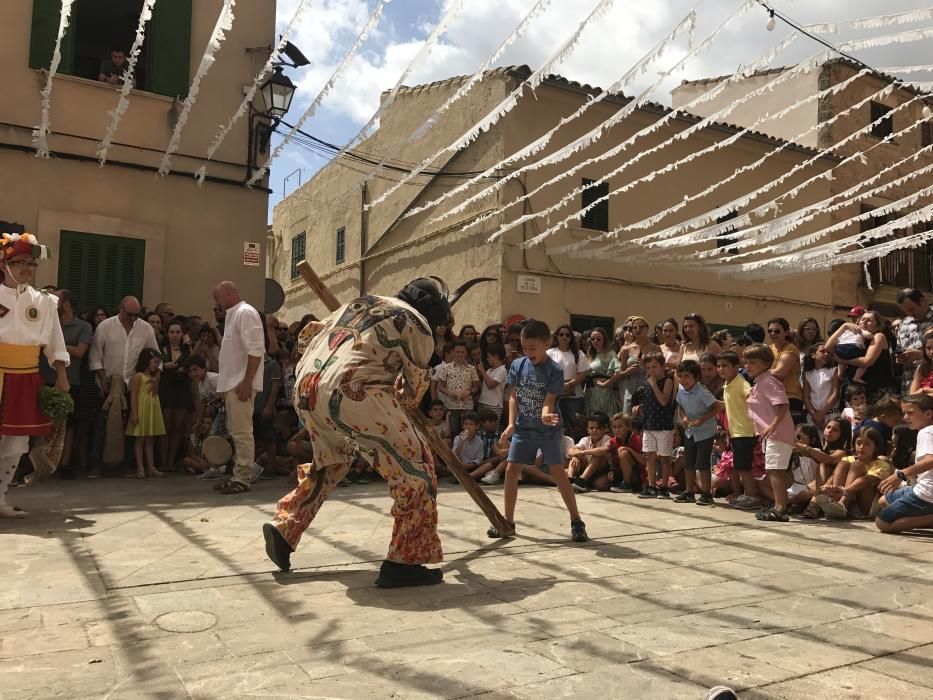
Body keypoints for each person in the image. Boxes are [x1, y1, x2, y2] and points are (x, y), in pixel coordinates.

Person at [487, 319, 588, 542]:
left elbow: (549, 400)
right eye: (525, 348)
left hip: (548, 430)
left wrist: (544, 414)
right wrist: (511, 423)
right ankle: (508, 521)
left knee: (558, 473)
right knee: (512, 470)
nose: (528, 352)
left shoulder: (554, 370)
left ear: (547, 343)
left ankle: (576, 521)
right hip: (524, 429)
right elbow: (513, 395)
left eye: (533, 348)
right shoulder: (517, 365)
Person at [0, 233, 69, 518]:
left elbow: (55, 341)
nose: (26, 268)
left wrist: (62, 375)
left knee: (15, 443)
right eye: (19, 263)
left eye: (31, 263)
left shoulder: (45, 302)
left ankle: (0, 497)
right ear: (5, 264)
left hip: (26, 376)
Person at [213, 281, 265, 495]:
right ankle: (238, 474)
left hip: (241, 383)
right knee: (236, 432)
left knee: (242, 433)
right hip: (234, 383)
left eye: (216, 298)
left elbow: (256, 350)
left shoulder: (245, 313)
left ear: (227, 293)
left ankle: (243, 478)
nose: (216, 303)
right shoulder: (233, 315)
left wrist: (246, 382)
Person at [38, 289, 91, 477]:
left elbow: (80, 352)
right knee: (41, 422)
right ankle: (38, 463)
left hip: (70, 381)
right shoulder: (47, 322)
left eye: (57, 300)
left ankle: (64, 464)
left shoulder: (83, 327)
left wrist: (55, 345)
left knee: (68, 425)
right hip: (44, 378)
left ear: (66, 304)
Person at [876, 394, 933, 533]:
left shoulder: (926, 432)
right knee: (883, 501)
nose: (905, 417)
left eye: (910, 413)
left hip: (927, 494)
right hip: (920, 487)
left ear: (928, 414)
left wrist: (901, 474)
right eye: (904, 413)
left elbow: (931, 460)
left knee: (882, 523)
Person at [674, 360, 723, 506]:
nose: (683, 380)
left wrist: (702, 419)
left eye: (687, 376)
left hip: (705, 432)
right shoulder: (681, 390)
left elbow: (716, 407)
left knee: (702, 463)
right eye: (680, 376)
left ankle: (706, 494)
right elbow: (680, 407)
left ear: (696, 377)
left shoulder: (701, 391)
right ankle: (689, 492)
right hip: (690, 431)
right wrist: (683, 418)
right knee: (688, 462)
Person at [717, 351, 760, 511]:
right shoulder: (728, 384)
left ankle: (751, 496)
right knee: (740, 465)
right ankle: (747, 494)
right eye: (719, 366)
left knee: (744, 467)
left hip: (745, 432)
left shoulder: (741, 383)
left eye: (725, 366)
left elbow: (752, 397)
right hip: (735, 432)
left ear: (736, 367)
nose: (721, 369)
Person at [826, 311, 894, 404]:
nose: (865, 322)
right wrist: (844, 326)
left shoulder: (878, 336)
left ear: (878, 325)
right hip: (854, 392)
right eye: (863, 319)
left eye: (869, 320)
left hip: (874, 389)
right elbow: (828, 348)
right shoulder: (854, 337)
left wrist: (841, 359)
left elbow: (867, 361)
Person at [636, 352, 676, 499]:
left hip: (664, 425)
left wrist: (653, 385)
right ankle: (651, 485)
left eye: (654, 367)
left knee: (664, 458)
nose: (651, 370)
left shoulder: (667, 381)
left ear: (662, 366)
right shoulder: (647, 382)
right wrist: (640, 408)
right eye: (648, 367)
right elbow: (649, 402)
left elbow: (664, 401)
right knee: (649, 456)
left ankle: (664, 487)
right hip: (649, 425)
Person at [126, 348, 167, 479]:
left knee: (150, 439)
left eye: (158, 362)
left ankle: (151, 467)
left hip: (152, 409)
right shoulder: (138, 376)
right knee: (140, 439)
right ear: (146, 361)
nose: (156, 365)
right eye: (154, 361)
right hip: (142, 409)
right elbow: (133, 395)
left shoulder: (153, 378)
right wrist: (134, 413)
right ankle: (140, 468)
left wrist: (156, 382)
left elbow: (154, 393)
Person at [159, 320, 193, 469]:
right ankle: (162, 461)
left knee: (177, 427)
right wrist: (164, 366)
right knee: (165, 427)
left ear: (182, 334)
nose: (175, 335)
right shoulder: (162, 349)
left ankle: (171, 461)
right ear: (167, 334)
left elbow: (191, 367)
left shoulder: (186, 350)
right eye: (172, 332)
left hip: (181, 391)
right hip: (166, 389)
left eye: (178, 332)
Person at [547, 324, 589, 438]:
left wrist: (569, 384)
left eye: (567, 334)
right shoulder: (549, 353)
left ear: (571, 337)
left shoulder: (579, 354)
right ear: (557, 337)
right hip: (554, 394)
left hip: (574, 395)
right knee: (556, 422)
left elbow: (583, 373)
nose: (564, 337)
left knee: (574, 423)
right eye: (561, 334)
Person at [767, 318, 805, 424]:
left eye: (777, 331)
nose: (773, 333)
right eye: (770, 331)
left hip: (790, 398)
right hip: (772, 398)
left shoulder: (790, 349)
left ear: (786, 332)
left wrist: (760, 372)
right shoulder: (768, 349)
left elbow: (780, 373)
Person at [437, 340, 480, 435]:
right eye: (457, 352)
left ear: (466, 353)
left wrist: (469, 392)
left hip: (467, 406)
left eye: (462, 352)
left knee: (467, 433)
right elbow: (440, 387)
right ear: (452, 352)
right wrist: (449, 393)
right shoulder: (446, 368)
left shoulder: (471, 369)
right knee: (452, 432)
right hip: (451, 406)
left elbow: (476, 387)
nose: (460, 354)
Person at [896, 289, 933, 396]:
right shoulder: (905, 323)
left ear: (922, 301)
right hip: (909, 384)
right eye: (906, 311)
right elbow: (899, 348)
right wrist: (900, 357)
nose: (910, 314)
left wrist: (921, 355)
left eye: (912, 309)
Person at [568, 412, 612, 492]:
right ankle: (569, 479)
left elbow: (604, 450)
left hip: (602, 470)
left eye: (598, 428)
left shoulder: (607, 439)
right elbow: (570, 450)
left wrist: (583, 452)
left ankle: (582, 481)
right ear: (587, 430)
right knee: (573, 459)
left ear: (604, 429)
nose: (594, 430)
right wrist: (575, 456)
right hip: (586, 468)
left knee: (596, 455)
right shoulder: (585, 439)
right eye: (591, 428)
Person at [583, 327, 620, 417]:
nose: (595, 341)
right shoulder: (591, 355)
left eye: (598, 339)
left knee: (604, 418)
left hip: (604, 392)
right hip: (590, 392)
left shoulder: (610, 354)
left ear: (604, 340)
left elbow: (618, 372)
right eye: (593, 339)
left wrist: (606, 384)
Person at [803, 343, 838, 429]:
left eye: (828, 352)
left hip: (830, 415)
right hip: (813, 417)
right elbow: (806, 397)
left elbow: (835, 394)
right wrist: (814, 415)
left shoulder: (833, 371)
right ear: (813, 355)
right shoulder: (807, 373)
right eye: (822, 351)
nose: (826, 354)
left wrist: (821, 414)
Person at [477, 344, 507, 423]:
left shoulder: (502, 370)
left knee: (492, 430)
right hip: (482, 403)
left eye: (489, 356)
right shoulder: (489, 370)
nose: (487, 359)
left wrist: (482, 371)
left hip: (494, 405)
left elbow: (491, 385)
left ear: (496, 356)